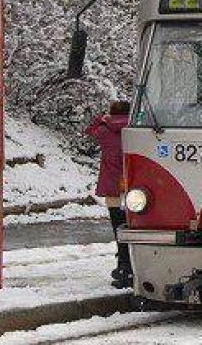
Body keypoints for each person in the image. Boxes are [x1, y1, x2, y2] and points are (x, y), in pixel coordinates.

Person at [86, 100, 132, 288]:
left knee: (117, 226)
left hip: (112, 186)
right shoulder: (134, 129)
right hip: (134, 185)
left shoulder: (104, 132)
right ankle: (131, 263)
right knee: (133, 225)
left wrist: (103, 119)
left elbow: (90, 129)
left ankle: (122, 264)